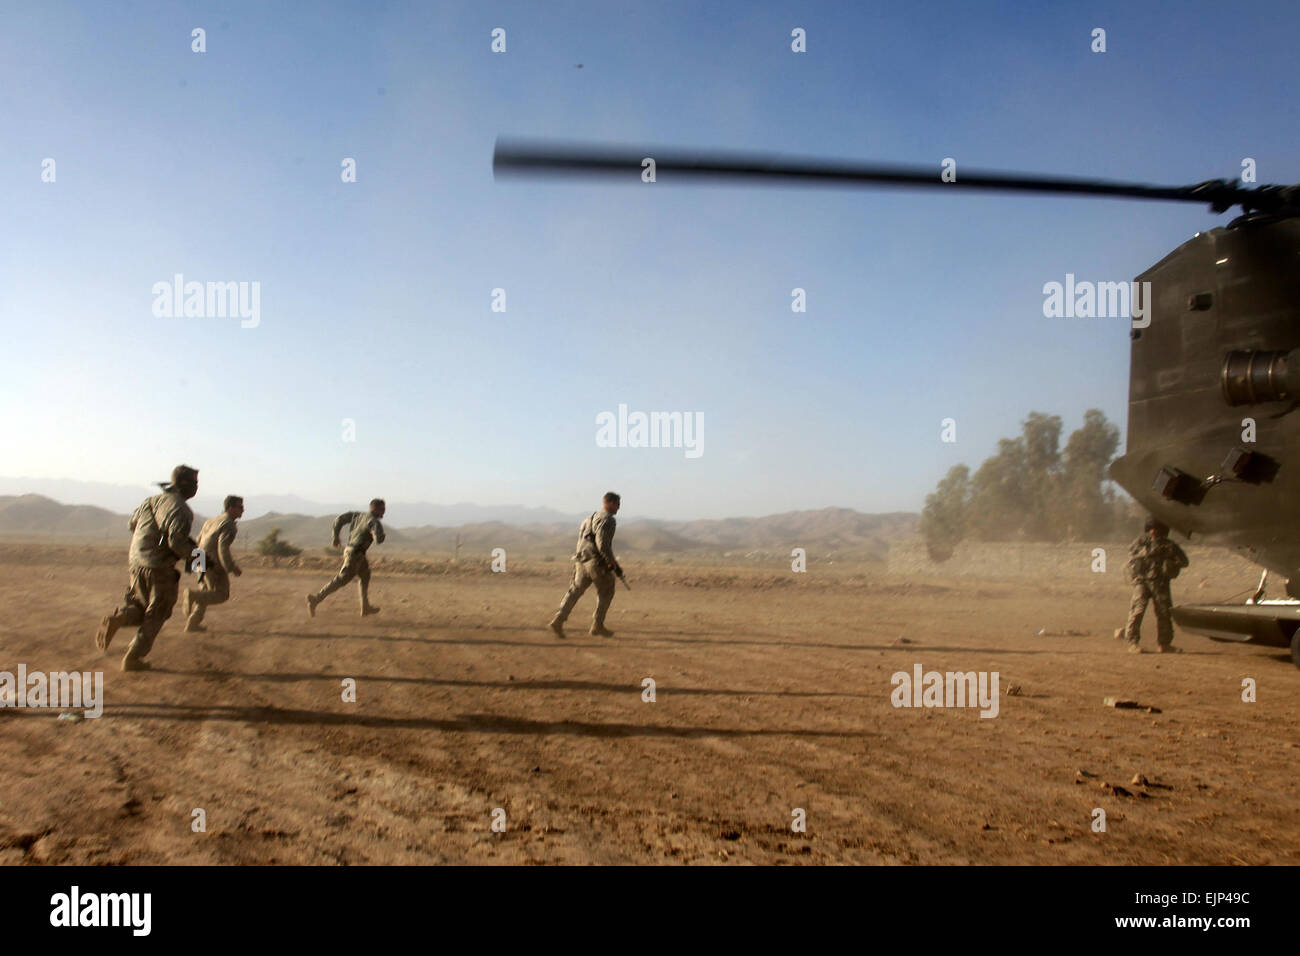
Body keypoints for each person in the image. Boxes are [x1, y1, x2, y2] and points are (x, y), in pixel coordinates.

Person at [94, 465, 201, 671]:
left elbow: (131, 525)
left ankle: (118, 619)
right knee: (158, 612)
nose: (197, 488)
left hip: (136, 560)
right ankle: (133, 658)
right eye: (195, 483)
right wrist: (199, 559)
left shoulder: (151, 501)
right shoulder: (181, 509)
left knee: (141, 607)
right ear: (185, 484)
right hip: (158, 566)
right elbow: (177, 544)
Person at [550, 492, 622, 639]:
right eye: (617, 504)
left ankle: (558, 620)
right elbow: (603, 545)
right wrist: (612, 563)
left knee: (575, 591)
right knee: (607, 590)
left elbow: (582, 541)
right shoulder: (608, 520)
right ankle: (597, 625)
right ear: (610, 503)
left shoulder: (589, 519)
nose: (618, 508)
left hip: (581, 560)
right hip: (595, 562)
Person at [1116, 516, 1189, 654]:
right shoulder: (1141, 542)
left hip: (1160, 583)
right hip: (1142, 582)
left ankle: (1164, 644)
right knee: (1137, 611)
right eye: (1151, 529)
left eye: (1157, 529)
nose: (1153, 532)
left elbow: (1184, 561)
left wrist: (1170, 564)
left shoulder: (1169, 546)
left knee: (1164, 613)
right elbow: (1131, 553)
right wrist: (1144, 554)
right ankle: (1133, 643)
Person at [306, 499, 385, 617]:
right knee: (342, 579)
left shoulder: (358, 515)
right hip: (355, 555)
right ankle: (316, 600)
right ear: (375, 509)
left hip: (352, 551)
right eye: (382, 509)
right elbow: (379, 539)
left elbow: (339, 519)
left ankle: (365, 607)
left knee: (365, 574)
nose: (383, 513)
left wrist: (335, 537)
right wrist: (380, 535)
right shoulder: (373, 522)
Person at [182, 495, 244, 632]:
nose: (243, 510)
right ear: (230, 508)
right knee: (221, 594)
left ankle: (193, 623)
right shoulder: (228, 524)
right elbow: (223, 548)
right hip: (211, 562)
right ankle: (191, 595)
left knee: (206, 592)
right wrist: (231, 567)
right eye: (240, 507)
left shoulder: (212, 521)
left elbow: (198, 539)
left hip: (199, 557)